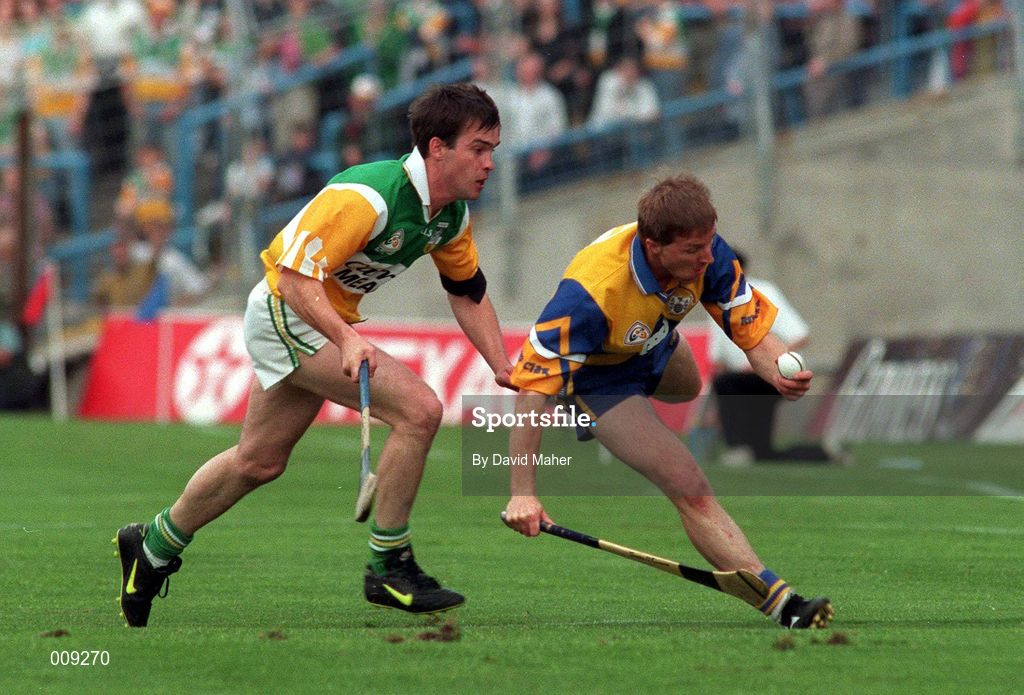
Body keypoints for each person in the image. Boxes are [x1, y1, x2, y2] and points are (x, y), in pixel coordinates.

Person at [114, 83, 514, 627]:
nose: (490, 162)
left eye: (493, 150)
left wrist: (501, 364)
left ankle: (152, 546)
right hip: (288, 309)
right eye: (480, 149)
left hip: (322, 319)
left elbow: (467, 291)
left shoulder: (450, 216)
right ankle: (389, 564)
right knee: (419, 410)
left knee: (259, 462)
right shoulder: (367, 197)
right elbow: (296, 278)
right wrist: (347, 338)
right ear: (438, 147)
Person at [502, 174, 833, 630]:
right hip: (599, 377)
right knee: (686, 480)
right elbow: (529, 393)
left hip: (654, 339)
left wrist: (779, 370)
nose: (708, 257)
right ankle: (780, 601)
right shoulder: (589, 294)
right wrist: (523, 492)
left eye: (709, 243)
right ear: (654, 246)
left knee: (684, 387)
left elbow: (753, 336)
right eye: (693, 250)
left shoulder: (711, 256)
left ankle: (641, 363)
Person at [710, 248, 833, 466]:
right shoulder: (712, 297)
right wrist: (714, 408)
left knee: (725, 382)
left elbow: (800, 335)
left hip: (767, 377)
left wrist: (769, 360)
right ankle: (825, 452)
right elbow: (718, 359)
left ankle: (737, 447)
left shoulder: (763, 291)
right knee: (763, 452)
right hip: (739, 380)